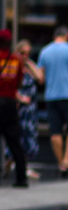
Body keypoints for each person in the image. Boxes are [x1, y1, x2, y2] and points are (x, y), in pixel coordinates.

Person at [37, 26, 68, 177]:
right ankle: (66, 160)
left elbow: (41, 78)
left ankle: (60, 163)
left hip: (51, 96)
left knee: (55, 132)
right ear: (67, 35)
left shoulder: (45, 51)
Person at [3, 39, 43, 182]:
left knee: (27, 138)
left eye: (28, 53)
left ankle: (22, 167)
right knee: (14, 138)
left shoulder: (28, 68)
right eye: (22, 53)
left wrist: (29, 62)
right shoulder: (12, 65)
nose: (25, 56)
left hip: (30, 110)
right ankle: (10, 164)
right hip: (17, 108)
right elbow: (7, 85)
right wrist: (19, 98)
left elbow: (40, 77)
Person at [0, 31, 30, 188]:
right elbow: (19, 82)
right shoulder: (16, 60)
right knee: (15, 142)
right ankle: (21, 178)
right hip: (10, 103)